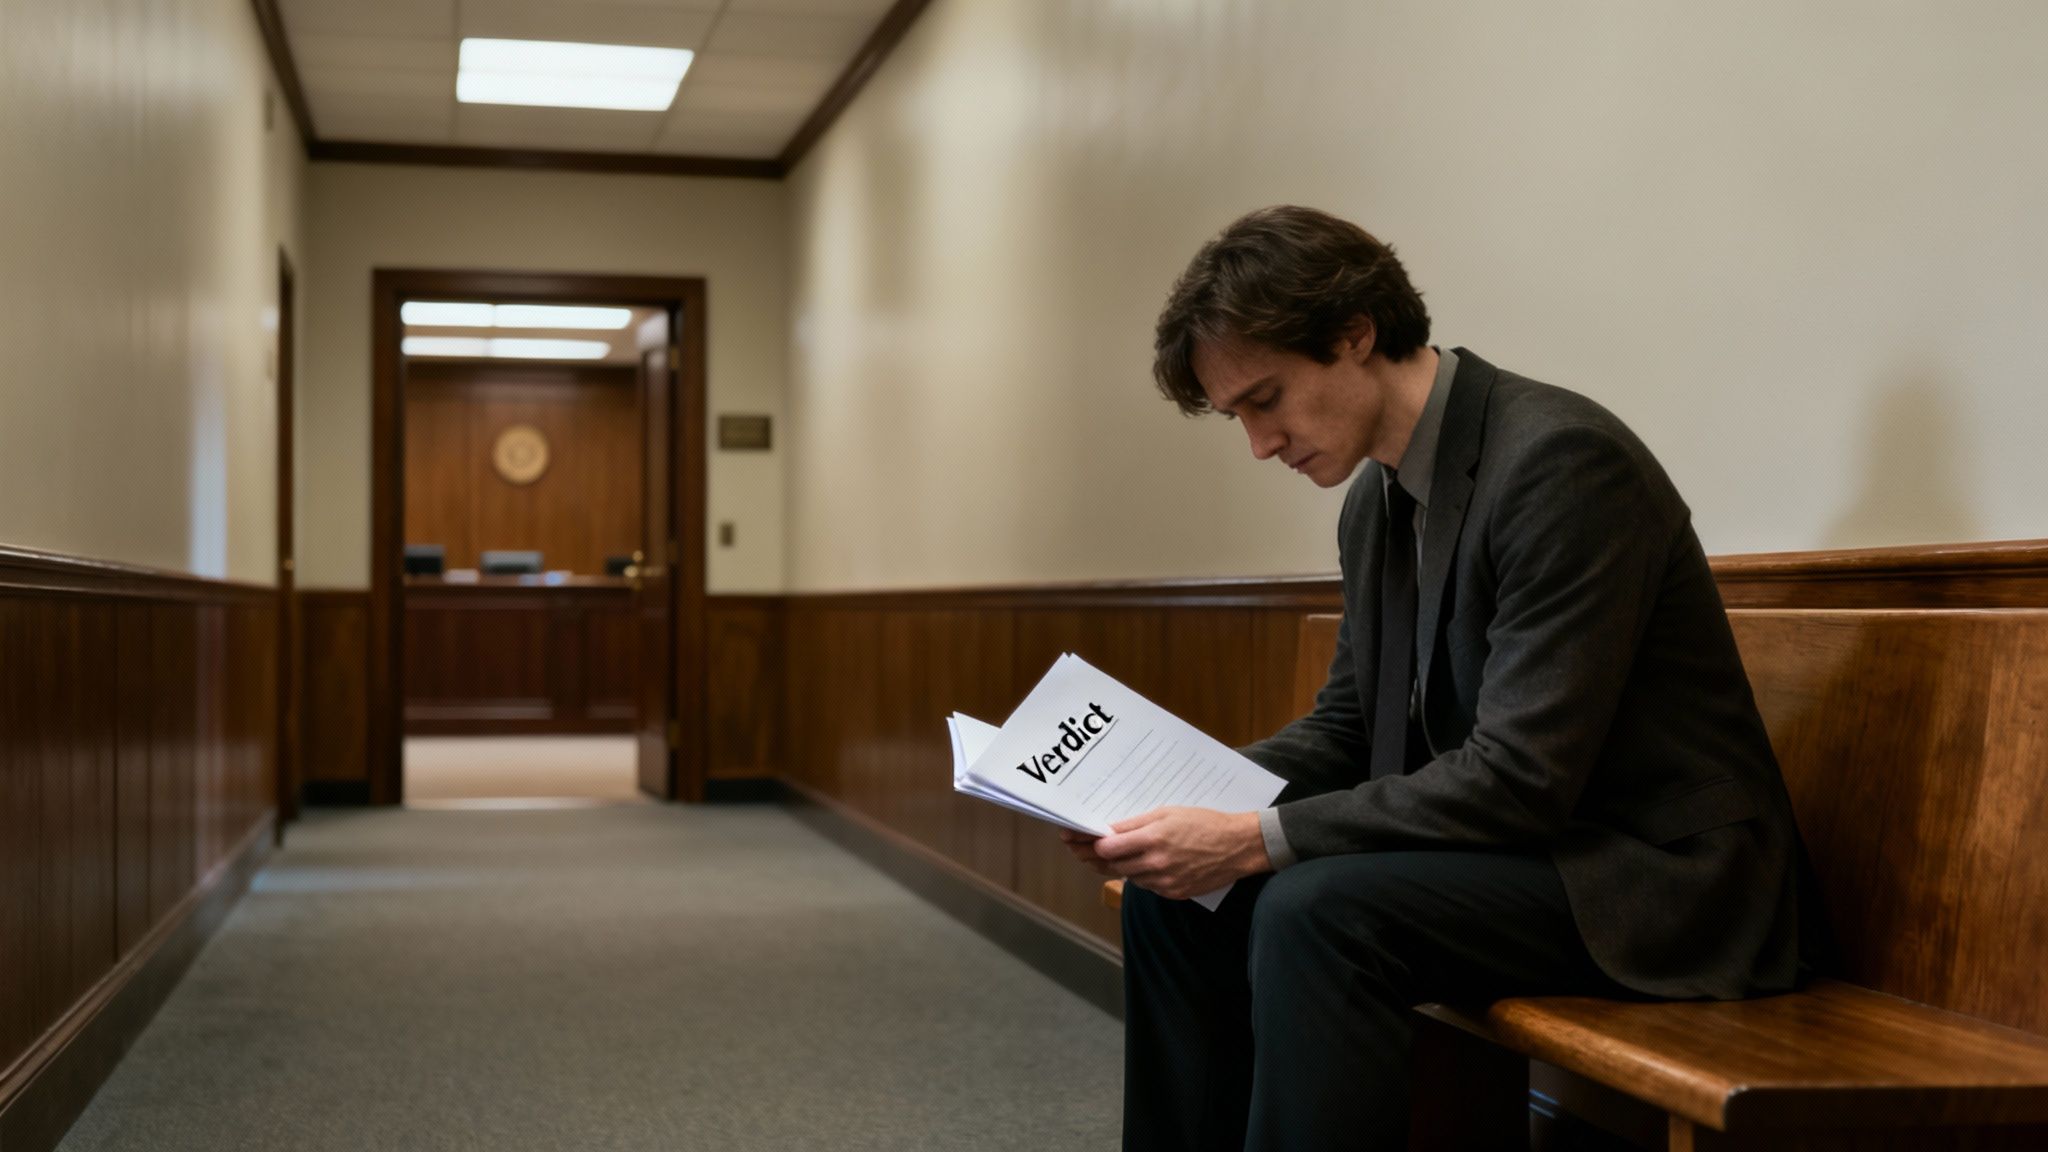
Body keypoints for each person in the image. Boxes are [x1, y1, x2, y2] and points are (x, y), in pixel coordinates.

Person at [1059, 206, 1820, 1152]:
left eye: (1267, 400)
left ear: (1353, 334)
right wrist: (1163, 799)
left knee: (1317, 911)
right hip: (1523, 856)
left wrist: (1252, 838)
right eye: (1238, 418)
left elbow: (1521, 779)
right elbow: (1346, 727)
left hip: (1651, 883)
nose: (1261, 444)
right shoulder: (1378, 501)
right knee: (1179, 906)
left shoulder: (1559, 463)